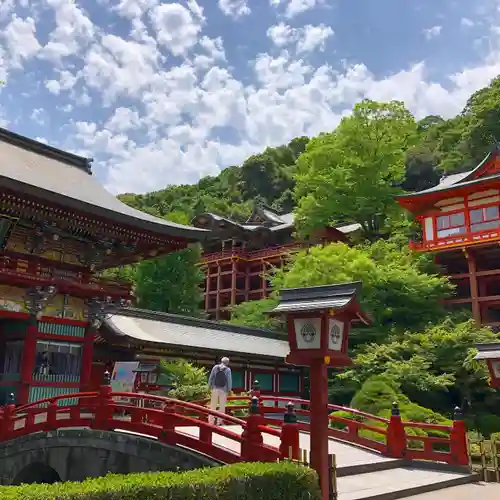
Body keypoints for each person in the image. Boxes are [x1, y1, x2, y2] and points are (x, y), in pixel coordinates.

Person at [208, 357, 232, 425]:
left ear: (221, 361)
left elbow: (211, 377)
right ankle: (219, 422)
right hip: (223, 390)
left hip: (215, 389)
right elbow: (229, 380)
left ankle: (210, 421)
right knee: (222, 406)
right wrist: (229, 390)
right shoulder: (228, 369)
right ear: (227, 362)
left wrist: (209, 386)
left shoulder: (215, 367)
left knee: (213, 406)